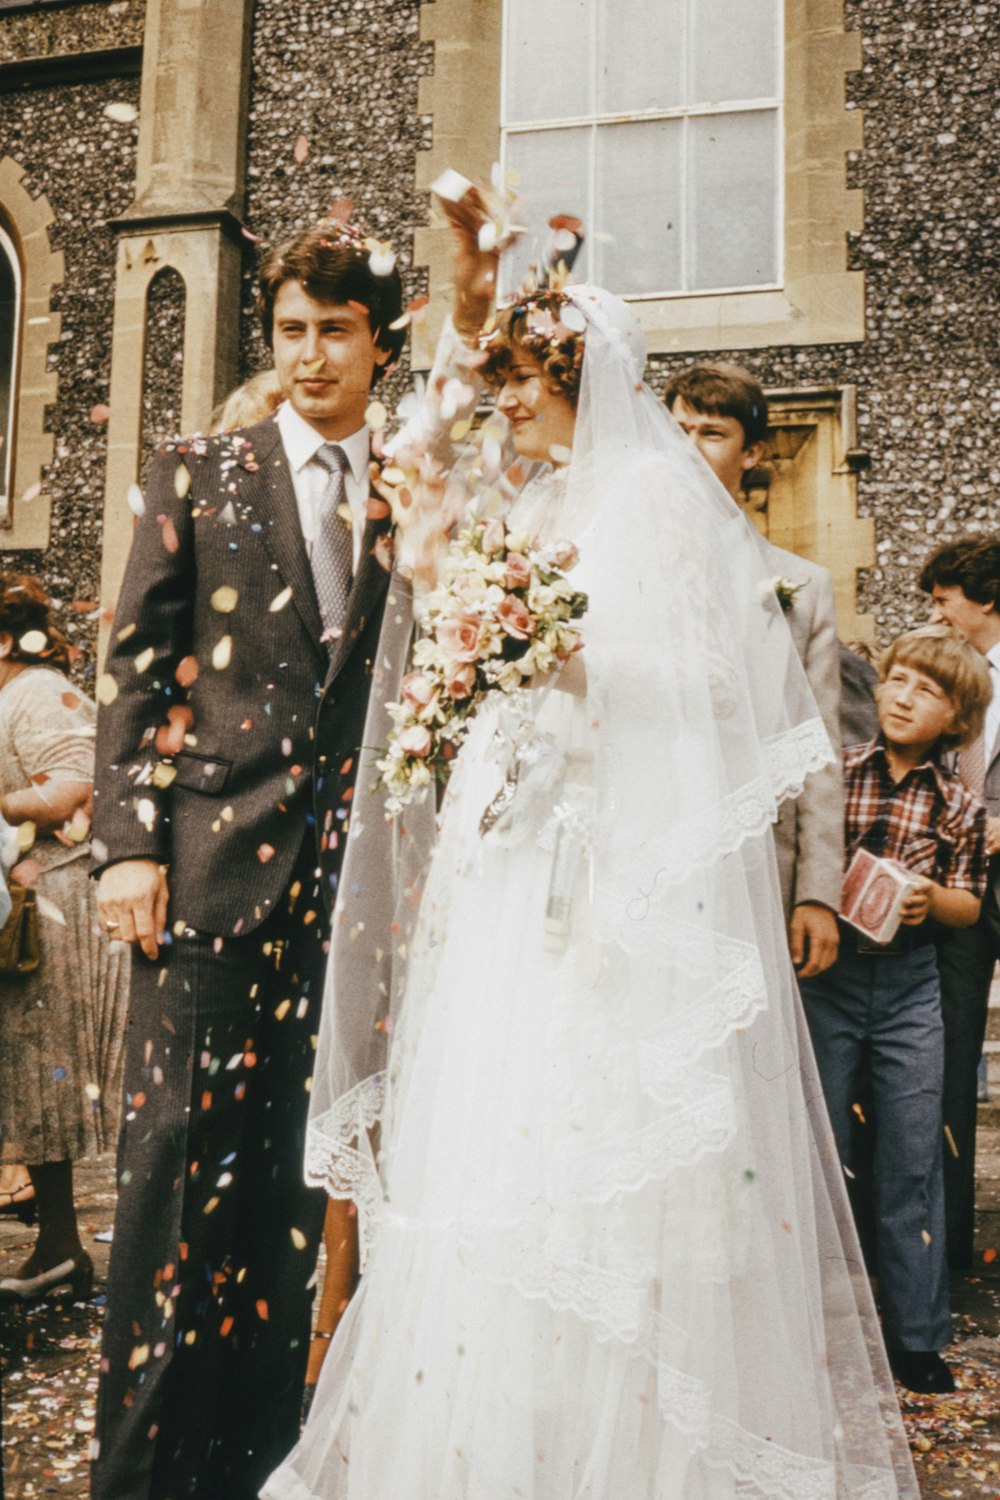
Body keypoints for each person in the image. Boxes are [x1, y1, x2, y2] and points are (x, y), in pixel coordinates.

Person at [263, 194, 917, 1500]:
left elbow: (700, 702)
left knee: (595, 1175)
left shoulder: (657, 514)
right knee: (486, 1148)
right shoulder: (541, 502)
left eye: (518, 387)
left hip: (607, 896)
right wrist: (490, 660)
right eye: (498, 385)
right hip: (509, 874)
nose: (502, 408)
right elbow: (433, 456)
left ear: (577, 384)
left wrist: (552, 661)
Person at [90, 218, 407, 1500]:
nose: (312, 354)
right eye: (292, 331)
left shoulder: (416, 494)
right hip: (207, 880)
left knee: (296, 1194)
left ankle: (260, 1465)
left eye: (337, 331)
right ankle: (142, 1479)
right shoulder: (198, 470)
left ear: (381, 344)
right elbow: (132, 670)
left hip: (349, 906)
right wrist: (125, 847)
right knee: (174, 1196)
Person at [800, 624, 990, 1393]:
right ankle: (812, 1319)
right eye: (900, 682)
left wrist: (927, 901)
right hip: (829, 981)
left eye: (930, 693)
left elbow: (971, 906)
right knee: (820, 1148)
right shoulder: (834, 775)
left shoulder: (960, 803)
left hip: (911, 991)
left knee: (912, 1157)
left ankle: (915, 1337)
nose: (907, 698)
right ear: (878, 688)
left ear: (959, 720)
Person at [663, 363, 844, 981]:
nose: (686, 450)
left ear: (754, 452)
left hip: (756, 860)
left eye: (710, 434)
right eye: (675, 430)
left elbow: (819, 745)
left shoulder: (804, 587)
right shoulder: (615, 565)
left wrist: (818, 891)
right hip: (649, 844)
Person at [0, 575, 129, 1302]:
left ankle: (74, 1248)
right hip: (30, 904)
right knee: (30, 1082)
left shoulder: (40, 692)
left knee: (52, 1074)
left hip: (62, 909)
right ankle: (57, 1248)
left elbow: (72, 790)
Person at [918, 535, 1000, 1268]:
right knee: (949, 1054)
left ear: (986, 601)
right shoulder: (943, 673)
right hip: (963, 888)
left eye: (944, 600)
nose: (935, 614)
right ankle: (944, 1244)